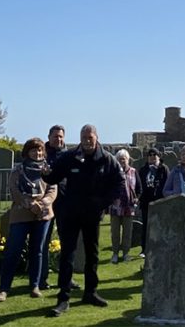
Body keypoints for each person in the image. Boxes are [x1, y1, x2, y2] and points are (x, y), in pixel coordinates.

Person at [42, 124, 125, 317]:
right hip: (70, 213)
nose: (87, 141)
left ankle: (90, 292)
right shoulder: (70, 157)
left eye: (90, 138)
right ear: (80, 138)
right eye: (84, 138)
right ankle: (63, 298)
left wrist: (103, 203)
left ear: (96, 137)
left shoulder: (106, 159)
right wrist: (45, 173)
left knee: (92, 255)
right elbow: (55, 176)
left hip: (92, 214)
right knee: (67, 255)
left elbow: (119, 182)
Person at [0, 138, 57, 302]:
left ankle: (35, 285)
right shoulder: (18, 170)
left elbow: (52, 189)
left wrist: (43, 203)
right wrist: (29, 204)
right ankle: (4, 288)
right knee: (13, 250)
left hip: (42, 214)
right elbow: (14, 190)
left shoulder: (48, 170)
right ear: (27, 152)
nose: (37, 153)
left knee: (37, 251)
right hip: (21, 213)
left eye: (40, 150)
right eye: (33, 150)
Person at [40, 124, 80, 290]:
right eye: (55, 136)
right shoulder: (41, 153)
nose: (58, 139)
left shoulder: (69, 155)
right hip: (46, 203)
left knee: (68, 244)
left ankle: (66, 279)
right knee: (43, 242)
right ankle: (40, 279)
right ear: (49, 137)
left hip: (65, 203)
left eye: (61, 136)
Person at [109, 149, 142, 263]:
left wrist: (137, 198)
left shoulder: (133, 171)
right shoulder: (112, 172)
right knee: (115, 232)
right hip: (116, 207)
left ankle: (126, 253)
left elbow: (139, 188)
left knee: (127, 232)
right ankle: (115, 254)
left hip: (129, 206)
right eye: (119, 159)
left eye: (124, 159)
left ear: (128, 160)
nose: (122, 161)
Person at [137, 148, 169, 258]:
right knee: (146, 226)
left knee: (160, 226)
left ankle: (160, 247)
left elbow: (167, 184)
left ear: (158, 156)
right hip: (146, 202)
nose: (152, 156)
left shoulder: (164, 169)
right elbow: (139, 185)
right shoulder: (143, 169)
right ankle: (144, 249)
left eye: (154, 154)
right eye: (150, 154)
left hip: (160, 201)